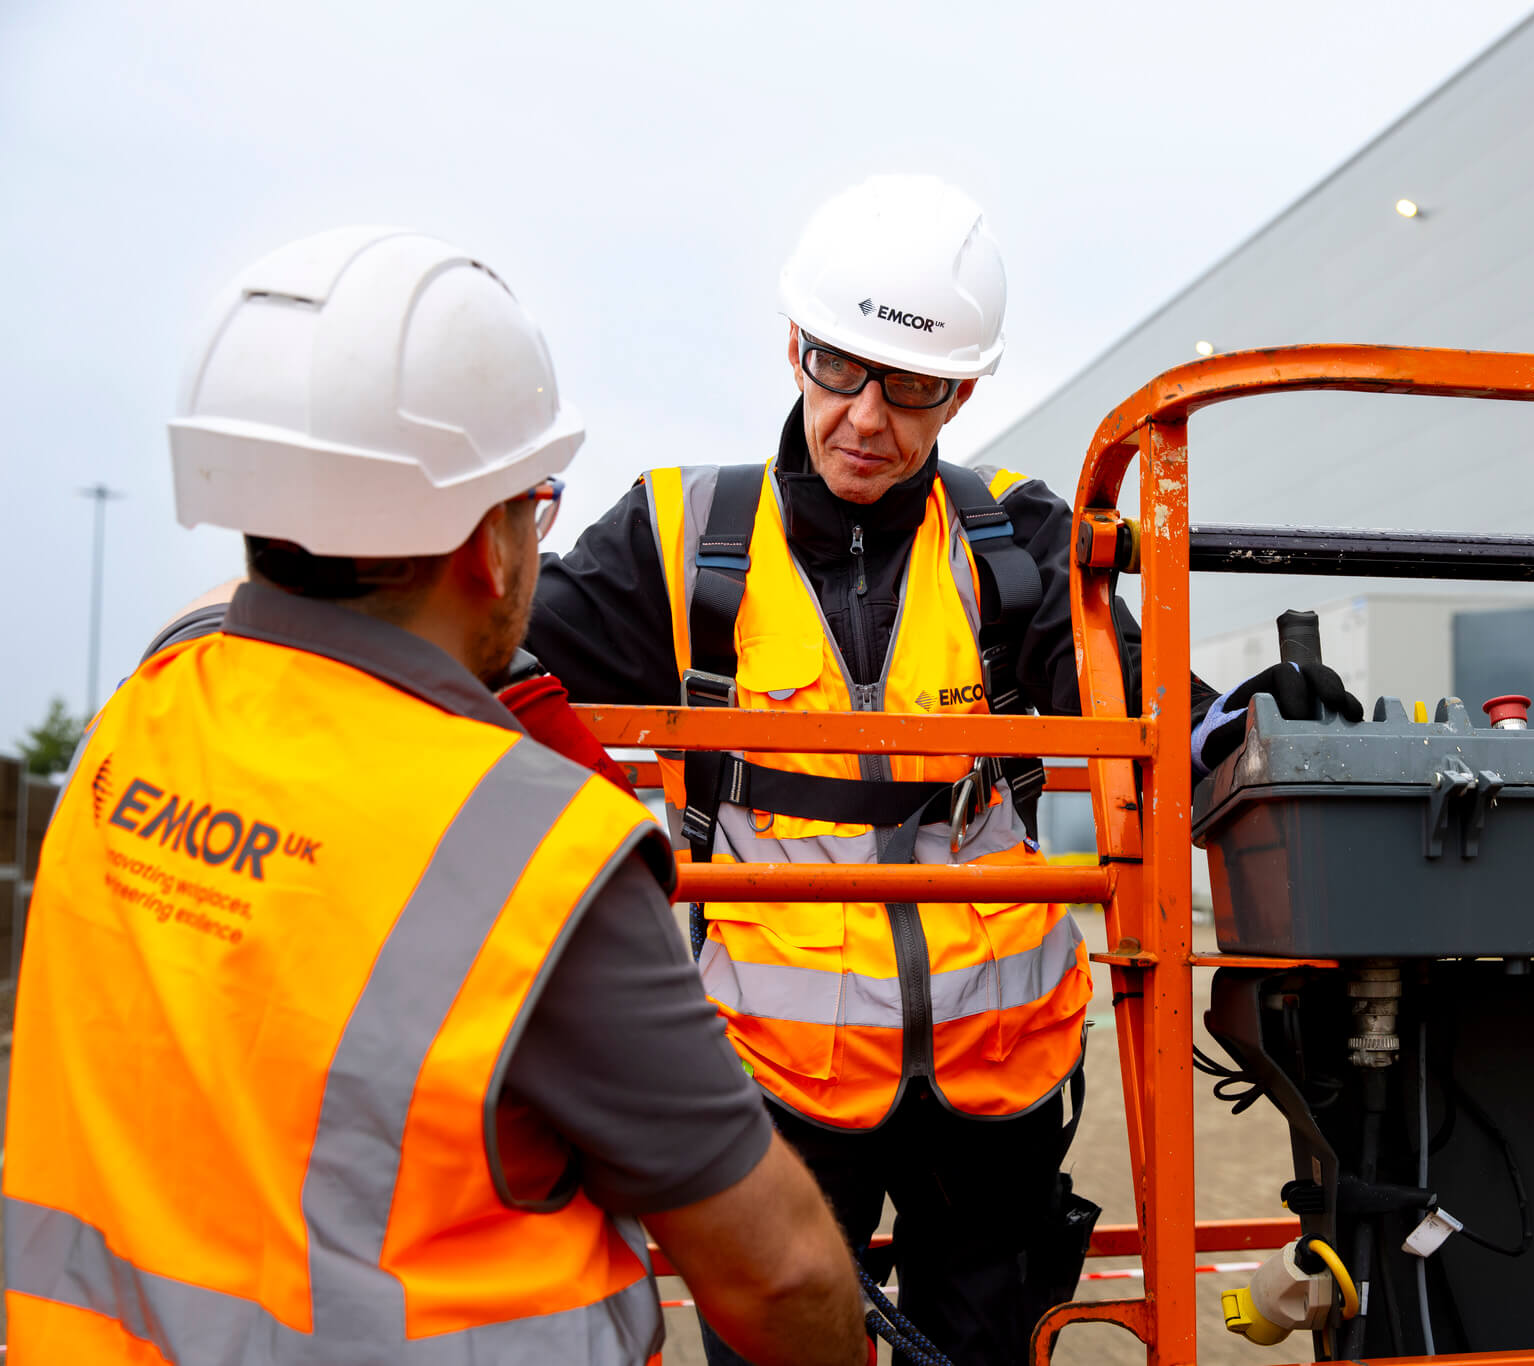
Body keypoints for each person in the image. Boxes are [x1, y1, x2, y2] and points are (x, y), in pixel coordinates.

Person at [523, 176, 1362, 1366]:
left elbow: (1135, 700)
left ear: (960, 391)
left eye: (910, 387)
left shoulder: (1009, 547)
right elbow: (487, 653)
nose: (866, 417)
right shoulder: (676, 541)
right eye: (838, 368)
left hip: (995, 1075)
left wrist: (1246, 724)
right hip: (773, 1075)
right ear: (794, 348)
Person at [1, 227, 866, 1366]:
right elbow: (786, 1274)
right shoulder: (538, 855)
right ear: (493, 549)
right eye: (533, 503)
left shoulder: (142, 721)